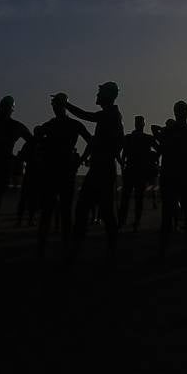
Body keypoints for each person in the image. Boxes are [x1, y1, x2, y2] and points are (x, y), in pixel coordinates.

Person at [61, 82, 124, 253]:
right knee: (90, 208)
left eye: (100, 92)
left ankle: (104, 248)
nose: (97, 95)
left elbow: (85, 115)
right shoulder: (111, 115)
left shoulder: (110, 115)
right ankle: (84, 245)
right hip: (100, 168)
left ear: (108, 95)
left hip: (102, 170)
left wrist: (66, 104)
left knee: (97, 209)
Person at [36, 94, 89, 258]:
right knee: (52, 212)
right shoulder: (56, 125)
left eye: (57, 105)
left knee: (60, 212)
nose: (55, 108)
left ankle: (59, 247)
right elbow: (91, 141)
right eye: (54, 105)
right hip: (57, 172)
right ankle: (49, 247)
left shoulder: (64, 125)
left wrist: (80, 159)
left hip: (61, 172)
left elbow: (91, 141)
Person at [0, 95, 31, 254]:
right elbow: (32, 140)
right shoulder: (13, 125)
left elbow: (32, 141)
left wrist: (20, 158)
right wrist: (19, 158)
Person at [158, 101, 187, 253]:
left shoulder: (168, 131)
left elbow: (163, 148)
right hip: (186, 178)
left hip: (173, 177)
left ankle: (165, 248)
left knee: (168, 216)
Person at [118, 115, 157, 232]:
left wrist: (122, 163)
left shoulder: (131, 138)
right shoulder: (143, 138)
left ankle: (126, 221)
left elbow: (122, 153)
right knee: (134, 198)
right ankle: (130, 221)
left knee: (130, 197)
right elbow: (122, 152)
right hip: (136, 171)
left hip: (134, 170)